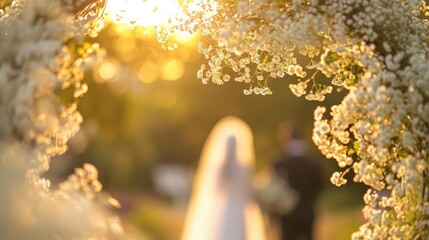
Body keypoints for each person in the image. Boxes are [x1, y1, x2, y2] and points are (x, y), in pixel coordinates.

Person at [273, 122, 324, 240]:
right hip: (308, 211)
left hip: (286, 214)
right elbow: (320, 185)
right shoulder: (313, 162)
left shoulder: (279, 162)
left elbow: (274, 187)